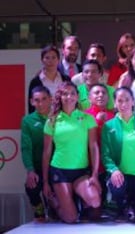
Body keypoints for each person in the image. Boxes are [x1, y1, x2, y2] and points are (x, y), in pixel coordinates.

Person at [42, 81, 101, 223]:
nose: (69, 96)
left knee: (95, 201)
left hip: (81, 172)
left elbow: (93, 147)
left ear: (77, 96)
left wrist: (94, 175)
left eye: (72, 93)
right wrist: (45, 182)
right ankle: (54, 202)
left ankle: (76, 197)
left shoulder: (87, 118)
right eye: (65, 93)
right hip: (59, 171)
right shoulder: (52, 120)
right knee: (71, 218)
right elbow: (46, 152)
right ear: (60, 97)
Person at [101, 87, 135, 223]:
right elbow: (105, 155)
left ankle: (133, 202)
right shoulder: (109, 126)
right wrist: (113, 170)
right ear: (115, 103)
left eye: (127, 100)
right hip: (121, 176)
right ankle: (121, 205)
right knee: (118, 187)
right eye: (120, 101)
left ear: (133, 101)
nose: (124, 104)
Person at [21, 86, 52, 221]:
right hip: (38, 167)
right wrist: (30, 170)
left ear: (50, 99)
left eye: (44, 99)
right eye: (37, 100)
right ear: (31, 102)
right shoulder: (28, 121)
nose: (41, 103)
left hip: (57, 167)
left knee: (58, 212)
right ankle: (39, 210)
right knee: (31, 186)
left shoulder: (59, 117)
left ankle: (53, 208)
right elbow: (26, 147)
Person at [85, 84, 115, 205]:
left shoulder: (114, 117)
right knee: (95, 210)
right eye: (96, 93)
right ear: (89, 98)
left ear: (108, 97)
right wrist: (97, 121)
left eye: (104, 93)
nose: (100, 95)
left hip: (110, 167)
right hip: (89, 167)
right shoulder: (84, 116)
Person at [28, 45, 70, 113]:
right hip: (43, 119)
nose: (50, 61)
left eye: (53, 57)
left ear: (58, 60)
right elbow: (32, 107)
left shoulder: (66, 79)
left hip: (63, 118)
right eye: (47, 58)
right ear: (42, 60)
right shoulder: (35, 82)